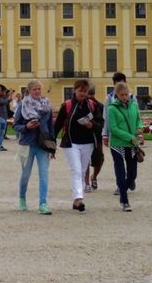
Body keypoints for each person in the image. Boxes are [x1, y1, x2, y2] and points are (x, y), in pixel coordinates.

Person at [54, 78, 101, 212]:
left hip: (88, 143)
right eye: (80, 90)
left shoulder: (92, 105)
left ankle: (76, 201)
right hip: (71, 143)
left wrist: (91, 125)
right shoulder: (67, 105)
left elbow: (100, 123)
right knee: (76, 169)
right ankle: (79, 198)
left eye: (85, 91)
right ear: (75, 90)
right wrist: (51, 144)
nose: (83, 93)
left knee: (81, 170)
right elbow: (57, 126)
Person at [13, 78, 54, 214]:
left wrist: (52, 146)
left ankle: (43, 203)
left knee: (44, 175)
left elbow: (50, 126)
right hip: (27, 143)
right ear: (29, 91)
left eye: (39, 89)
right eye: (35, 89)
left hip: (42, 144)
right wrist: (27, 126)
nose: (37, 91)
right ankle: (22, 198)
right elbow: (16, 125)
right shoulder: (23, 105)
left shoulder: (46, 106)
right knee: (25, 175)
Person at [106, 80, 144, 212]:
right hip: (118, 145)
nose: (124, 97)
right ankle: (124, 199)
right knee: (121, 173)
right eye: (122, 94)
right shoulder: (112, 108)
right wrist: (130, 137)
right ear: (116, 95)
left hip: (132, 144)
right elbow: (113, 129)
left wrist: (139, 128)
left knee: (132, 174)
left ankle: (123, 190)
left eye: (126, 94)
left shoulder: (133, 105)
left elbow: (138, 120)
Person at [100, 72, 134, 196]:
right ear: (114, 85)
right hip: (116, 137)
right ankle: (121, 186)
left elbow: (135, 116)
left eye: (122, 82)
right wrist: (105, 135)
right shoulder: (109, 99)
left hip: (130, 136)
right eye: (117, 83)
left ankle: (130, 180)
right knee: (118, 162)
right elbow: (106, 118)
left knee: (131, 162)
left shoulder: (132, 97)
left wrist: (138, 133)